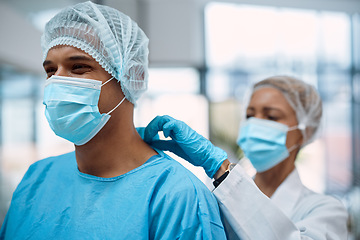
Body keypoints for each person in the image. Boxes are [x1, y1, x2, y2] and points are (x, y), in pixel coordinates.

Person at [0, 2, 227, 239]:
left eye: (78, 67)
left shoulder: (175, 195)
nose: (57, 82)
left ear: (131, 76)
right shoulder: (37, 178)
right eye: (50, 70)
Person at [144, 76, 349, 239]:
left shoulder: (325, 210)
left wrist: (219, 167)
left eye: (271, 116)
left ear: (305, 130)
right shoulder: (220, 198)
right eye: (250, 115)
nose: (255, 125)